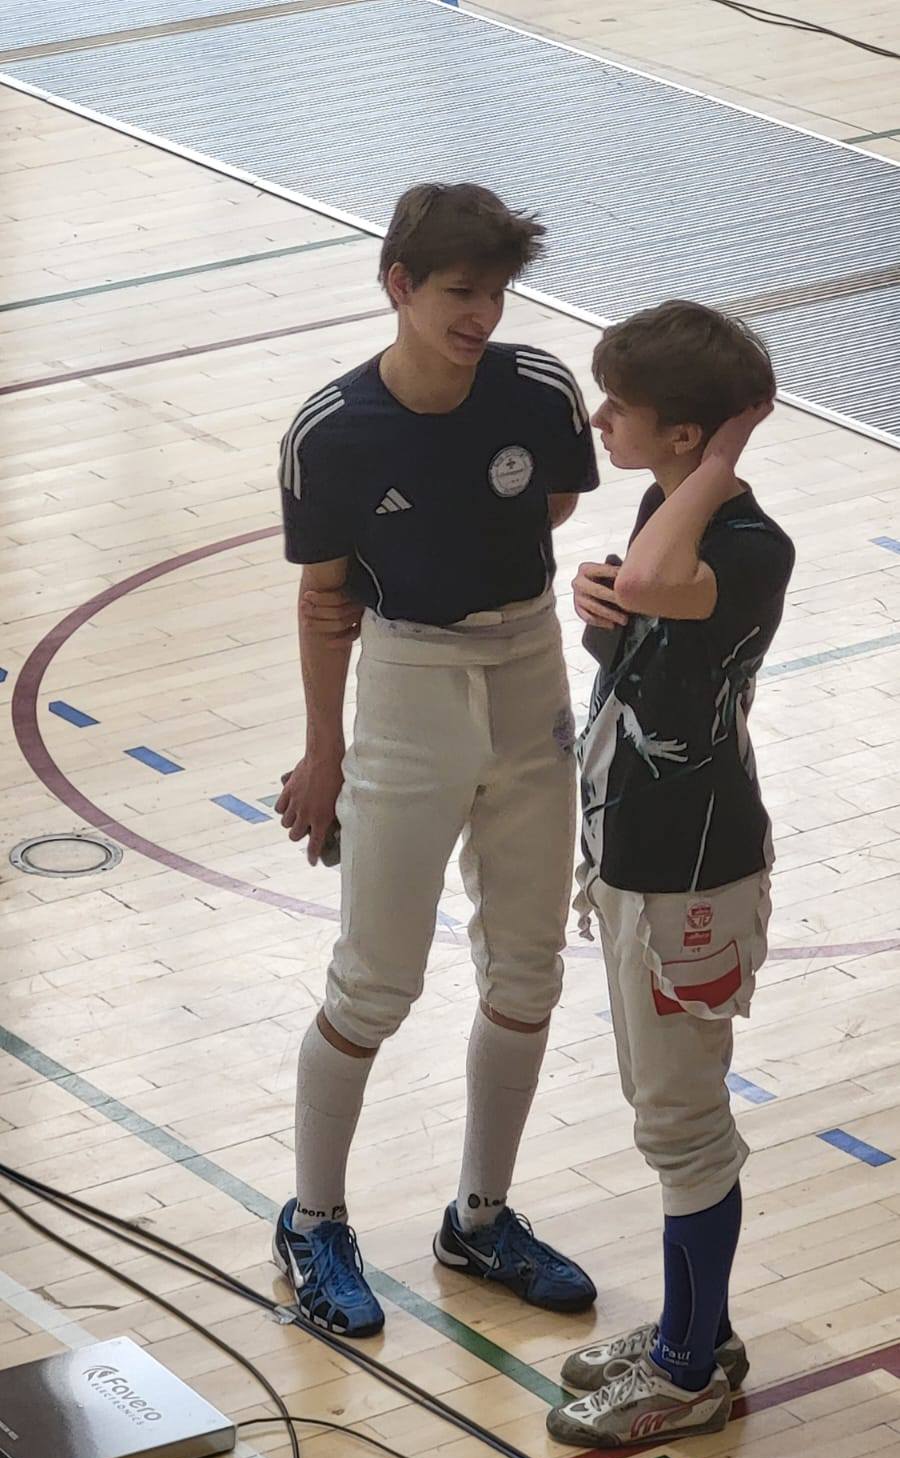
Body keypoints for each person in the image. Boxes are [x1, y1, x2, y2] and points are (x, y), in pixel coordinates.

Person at [273, 182, 600, 1337]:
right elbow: (324, 604)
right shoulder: (331, 433)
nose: (482, 316)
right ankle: (313, 1221)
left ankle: (482, 1219)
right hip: (408, 687)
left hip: (531, 676)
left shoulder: (540, 390)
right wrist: (325, 753)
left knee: (529, 971)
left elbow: (551, 508)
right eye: (461, 292)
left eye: (497, 294)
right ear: (399, 285)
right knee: (375, 980)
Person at [546, 301, 794, 1446]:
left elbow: (656, 585)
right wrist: (598, 609)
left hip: (692, 878)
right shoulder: (670, 510)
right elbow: (645, 626)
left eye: (622, 406)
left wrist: (724, 458)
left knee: (684, 1125)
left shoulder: (747, 546)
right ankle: (700, 1330)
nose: (600, 420)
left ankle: (688, 1373)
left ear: (690, 435)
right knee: (667, 1114)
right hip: (637, 855)